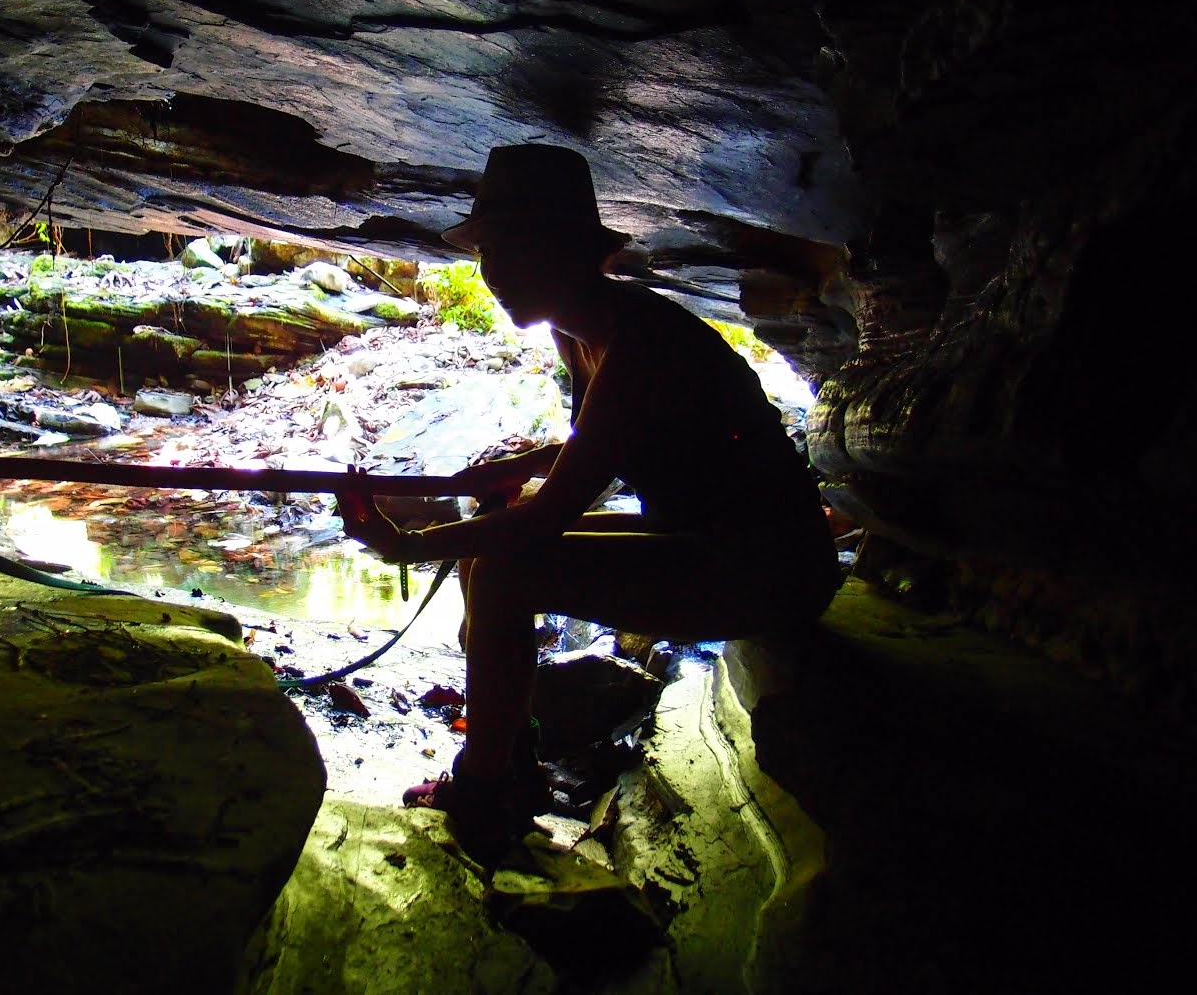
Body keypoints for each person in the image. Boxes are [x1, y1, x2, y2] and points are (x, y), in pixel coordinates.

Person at [336, 144, 839, 862]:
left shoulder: (638, 345)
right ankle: (511, 762)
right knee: (488, 558)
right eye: (488, 256)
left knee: (506, 567)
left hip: (770, 569)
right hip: (707, 542)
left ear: (566, 253)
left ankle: (483, 794)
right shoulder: (588, 333)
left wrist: (408, 546)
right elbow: (599, 447)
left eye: (511, 254)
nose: (493, 275)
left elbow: (551, 516)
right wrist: (520, 465)